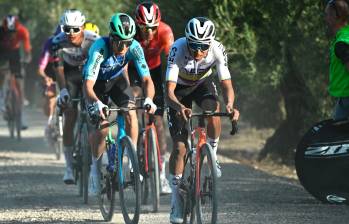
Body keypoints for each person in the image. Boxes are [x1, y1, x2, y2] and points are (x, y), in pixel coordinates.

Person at [165, 17, 240, 223]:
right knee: (180, 148)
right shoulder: (178, 48)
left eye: (203, 46)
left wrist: (231, 105)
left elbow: (226, 83)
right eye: (194, 45)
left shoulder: (217, 48)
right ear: (187, 41)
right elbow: (169, 91)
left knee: (213, 111)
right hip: (178, 91)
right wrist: (180, 107)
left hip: (202, 84)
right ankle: (176, 199)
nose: (198, 51)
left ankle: (212, 153)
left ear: (210, 43)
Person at [83, 12, 156, 194]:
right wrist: (98, 103)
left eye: (128, 42)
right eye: (120, 42)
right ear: (112, 37)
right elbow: (88, 85)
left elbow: (147, 79)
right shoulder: (99, 48)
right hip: (96, 86)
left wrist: (149, 98)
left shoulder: (134, 47)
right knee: (103, 126)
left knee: (131, 112)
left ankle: (132, 165)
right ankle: (95, 171)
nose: (124, 47)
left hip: (116, 81)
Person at [51, 9, 99, 184]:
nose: (71, 33)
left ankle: (95, 165)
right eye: (66, 29)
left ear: (83, 27)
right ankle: (69, 167)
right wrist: (63, 90)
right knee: (70, 115)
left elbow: (99, 67)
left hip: (89, 75)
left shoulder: (94, 40)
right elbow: (59, 69)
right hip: (70, 76)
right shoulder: (57, 42)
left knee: (95, 117)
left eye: (75, 29)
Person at [132, 2, 174, 194]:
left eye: (152, 28)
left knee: (158, 121)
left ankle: (162, 176)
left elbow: (173, 61)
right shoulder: (131, 33)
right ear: (137, 24)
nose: (148, 32)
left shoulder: (165, 32)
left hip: (155, 71)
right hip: (133, 70)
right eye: (144, 28)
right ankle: (135, 149)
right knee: (134, 101)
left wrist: (172, 86)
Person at [0, 15, 32, 129]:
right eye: (7, 32)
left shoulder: (22, 31)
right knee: (2, 74)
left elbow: (27, 49)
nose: (10, 34)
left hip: (15, 52)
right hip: (2, 52)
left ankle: (20, 113)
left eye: (13, 32)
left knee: (19, 78)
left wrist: (27, 59)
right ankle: (2, 99)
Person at [325, 0, 349, 120]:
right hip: (344, 98)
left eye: (327, 14)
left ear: (335, 16)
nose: (326, 18)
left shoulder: (341, 43)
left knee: (337, 135)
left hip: (347, 98)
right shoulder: (345, 35)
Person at [37, 25, 62, 139]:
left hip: (65, 71)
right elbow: (41, 68)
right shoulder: (50, 44)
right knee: (51, 98)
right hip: (50, 72)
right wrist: (46, 78)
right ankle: (50, 122)